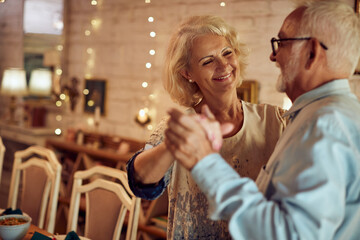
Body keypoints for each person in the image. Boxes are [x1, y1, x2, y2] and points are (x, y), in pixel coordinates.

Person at [165, 0, 360, 239]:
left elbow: (289, 235)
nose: (273, 55)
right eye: (207, 60)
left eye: (282, 43)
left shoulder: (325, 125)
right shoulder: (321, 117)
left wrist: (206, 162)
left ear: (312, 52)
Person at [127, 15, 287, 239]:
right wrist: (172, 146)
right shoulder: (179, 127)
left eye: (227, 52)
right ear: (187, 73)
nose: (224, 66)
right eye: (207, 61)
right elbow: (140, 183)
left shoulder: (277, 121)